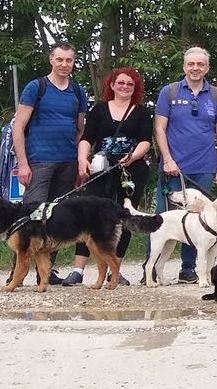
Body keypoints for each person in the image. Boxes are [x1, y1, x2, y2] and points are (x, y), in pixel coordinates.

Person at [65, 67, 153, 286]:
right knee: (89, 216)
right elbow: (87, 137)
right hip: (102, 167)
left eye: (130, 84)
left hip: (131, 168)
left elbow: (145, 140)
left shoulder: (142, 112)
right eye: (121, 83)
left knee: (124, 216)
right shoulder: (99, 110)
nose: (125, 87)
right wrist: (82, 159)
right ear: (112, 85)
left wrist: (133, 157)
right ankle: (78, 270)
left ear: (136, 88)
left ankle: (115, 270)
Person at [11, 41, 88, 285]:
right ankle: (17, 273)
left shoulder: (78, 91)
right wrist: (23, 164)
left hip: (67, 162)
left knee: (56, 219)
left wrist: (79, 162)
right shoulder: (37, 87)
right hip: (39, 161)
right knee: (30, 217)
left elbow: (80, 130)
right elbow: (18, 127)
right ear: (51, 60)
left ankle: (45, 272)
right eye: (60, 60)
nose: (64, 64)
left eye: (69, 60)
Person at [152, 46, 217, 283]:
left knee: (198, 220)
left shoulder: (216, 95)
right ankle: (152, 269)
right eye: (191, 64)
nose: (195, 68)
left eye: (200, 65)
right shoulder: (170, 91)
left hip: (205, 166)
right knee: (163, 219)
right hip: (173, 167)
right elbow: (159, 128)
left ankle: (188, 269)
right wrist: (167, 159)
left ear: (207, 68)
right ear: (184, 66)